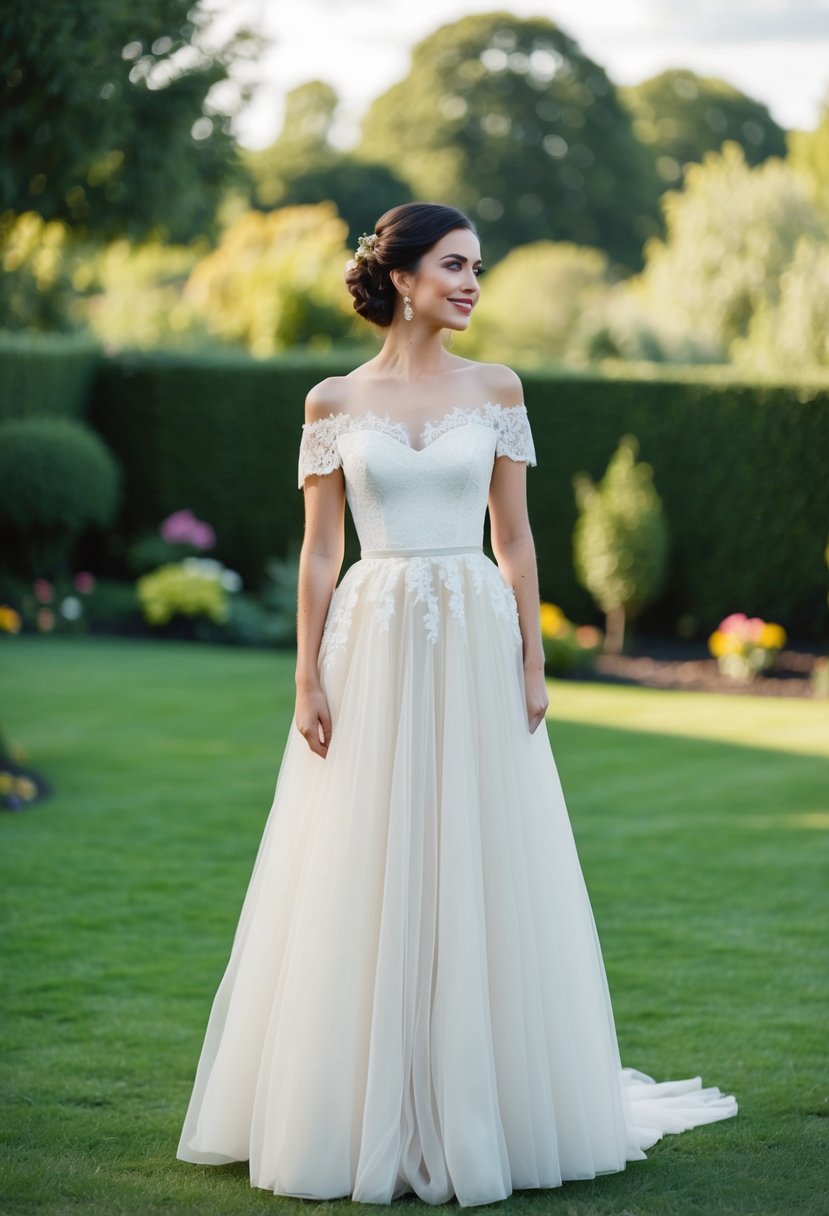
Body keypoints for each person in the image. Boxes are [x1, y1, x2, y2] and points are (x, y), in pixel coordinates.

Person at [176, 202, 737, 1206]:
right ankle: (359, 1102)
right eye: (455, 264)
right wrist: (306, 674)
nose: (473, 282)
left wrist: (531, 655)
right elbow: (318, 552)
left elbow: (513, 538)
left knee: (477, 852)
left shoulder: (498, 388)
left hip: (473, 637)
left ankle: (482, 1098)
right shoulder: (329, 402)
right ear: (400, 277)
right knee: (365, 853)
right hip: (374, 635)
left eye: (477, 265)